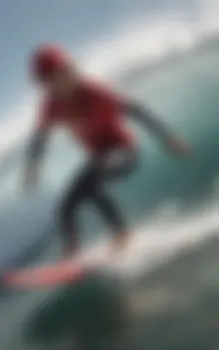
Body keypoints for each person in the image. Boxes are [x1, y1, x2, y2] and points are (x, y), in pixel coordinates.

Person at [23, 43, 191, 259]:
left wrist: (168, 138)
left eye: (58, 75)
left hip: (123, 152)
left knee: (93, 182)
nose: (54, 85)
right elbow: (40, 137)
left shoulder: (95, 92)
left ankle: (122, 234)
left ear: (69, 70)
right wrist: (32, 167)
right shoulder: (51, 105)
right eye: (47, 82)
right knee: (65, 205)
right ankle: (72, 252)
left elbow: (136, 110)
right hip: (98, 159)